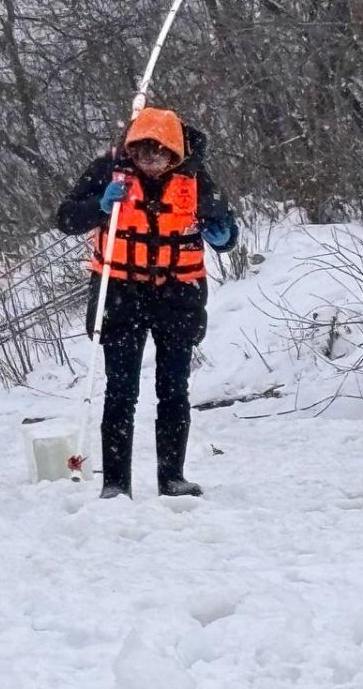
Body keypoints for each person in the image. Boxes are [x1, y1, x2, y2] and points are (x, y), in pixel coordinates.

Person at [57, 107, 238, 499]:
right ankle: (115, 483)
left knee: (174, 388)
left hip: (178, 295)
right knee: (121, 390)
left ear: (174, 154)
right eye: (141, 155)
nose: (149, 164)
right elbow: (66, 218)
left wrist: (222, 233)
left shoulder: (196, 179)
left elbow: (227, 234)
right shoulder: (108, 170)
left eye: (157, 156)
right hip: (121, 292)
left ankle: (172, 476)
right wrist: (99, 207)